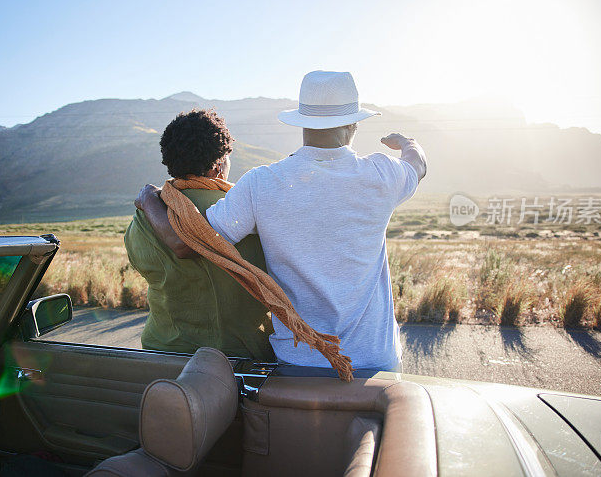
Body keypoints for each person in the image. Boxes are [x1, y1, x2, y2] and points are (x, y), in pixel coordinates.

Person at [137, 71, 426, 371]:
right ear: (353, 124)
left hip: (299, 360)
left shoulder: (261, 183)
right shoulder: (382, 174)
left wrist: (149, 199)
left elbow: (189, 242)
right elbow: (418, 165)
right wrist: (408, 143)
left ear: (301, 122)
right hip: (376, 361)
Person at [126, 109, 275, 361]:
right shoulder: (241, 211)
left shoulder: (143, 217)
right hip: (242, 359)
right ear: (218, 165)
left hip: (162, 355)